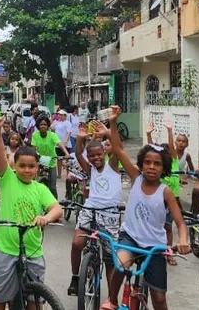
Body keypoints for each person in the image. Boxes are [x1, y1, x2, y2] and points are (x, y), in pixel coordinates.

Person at [105, 106, 189, 310]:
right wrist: (113, 122)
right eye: (148, 163)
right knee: (120, 264)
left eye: (157, 164)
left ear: (164, 168)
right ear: (141, 165)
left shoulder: (165, 191)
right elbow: (118, 149)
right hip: (130, 237)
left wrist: (183, 239)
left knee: (159, 298)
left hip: (155, 245)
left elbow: (180, 221)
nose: (152, 167)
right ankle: (112, 300)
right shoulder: (135, 177)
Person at [0, 116, 61, 310]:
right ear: (14, 166)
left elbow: (56, 209)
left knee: (33, 301)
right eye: (22, 166)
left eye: (31, 166)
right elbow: (0, 155)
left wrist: (45, 217)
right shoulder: (7, 180)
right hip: (5, 249)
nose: (27, 170)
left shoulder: (40, 189)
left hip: (33, 251)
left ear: (37, 168)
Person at [67, 123, 122, 297]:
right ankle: (76, 277)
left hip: (110, 215)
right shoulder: (90, 170)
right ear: (89, 158)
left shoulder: (112, 166)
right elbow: (77, 153)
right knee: (76, 244)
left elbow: (118, 147)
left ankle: (111, 297)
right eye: (92, 156)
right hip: (89, 211)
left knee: (110, 259)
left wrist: (109, 132)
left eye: (99, 154)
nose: (96, 158)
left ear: (105, 153)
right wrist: (80, 137)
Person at [150, 121, 182, 267]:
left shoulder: (174, 163)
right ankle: (153, 250)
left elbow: (172, 147)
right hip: (157, 201)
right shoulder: (157, 168)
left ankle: (168, 253)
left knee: (168, 227)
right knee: (155, 227)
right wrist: (148, 135)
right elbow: (149, 150)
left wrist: (170, 131)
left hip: (172, 201)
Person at [31, 115, 69, 198]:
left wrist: (66, 153)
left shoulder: (52, 135)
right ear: (38, 126)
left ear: (48, 126)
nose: (43, 126)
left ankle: (55, 204)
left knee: (52, 187)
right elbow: (33, 148)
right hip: (40, 161)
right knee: (35, 184)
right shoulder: (35, 135)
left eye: (45, 124)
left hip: (51, 162)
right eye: (41, 124)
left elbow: (60, 145)